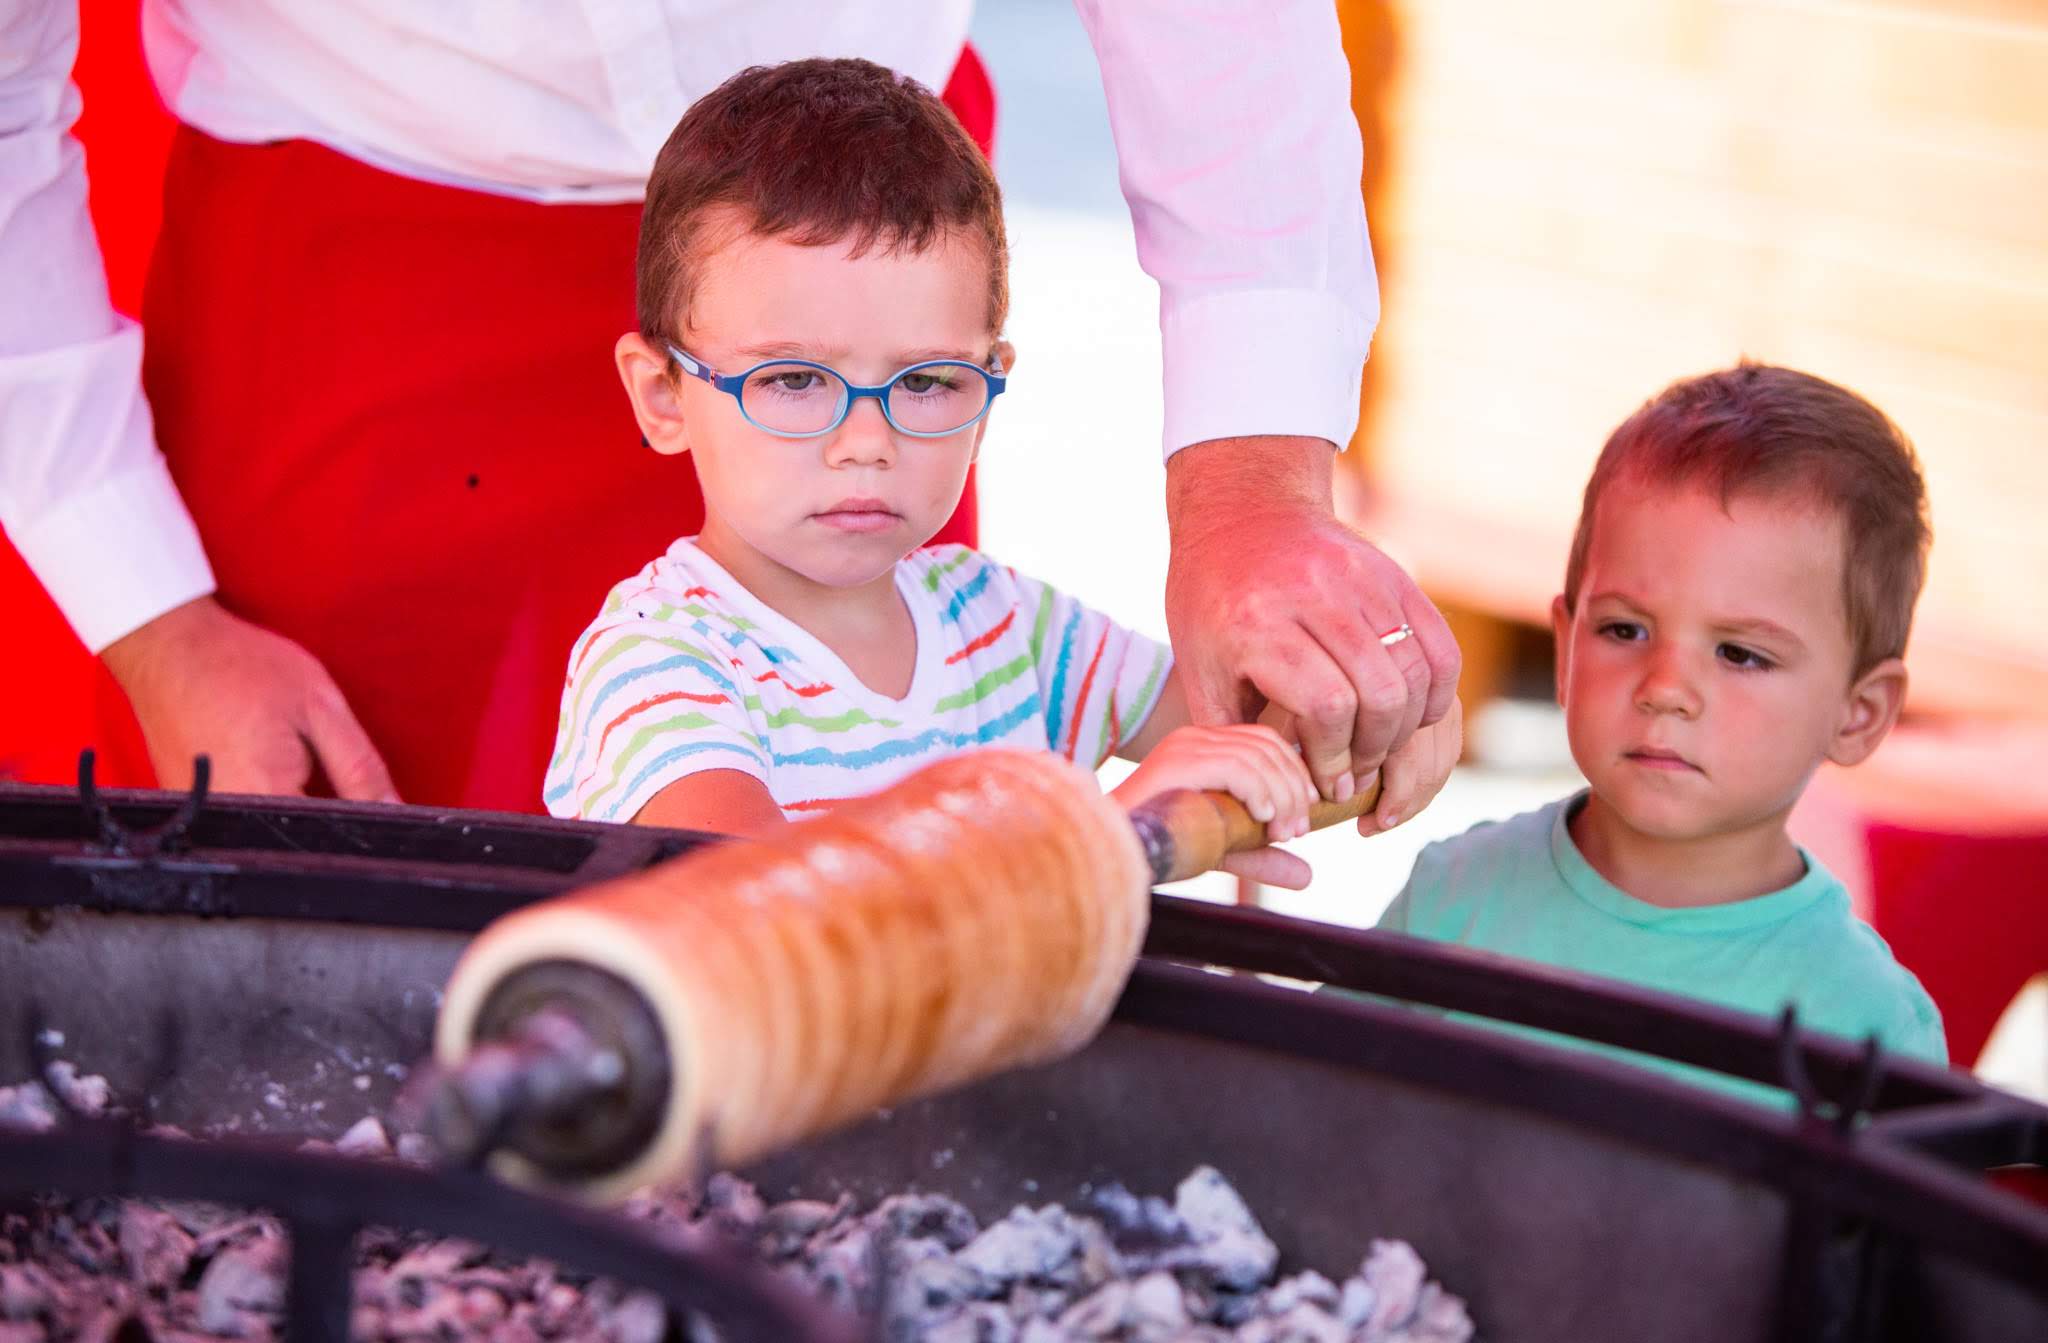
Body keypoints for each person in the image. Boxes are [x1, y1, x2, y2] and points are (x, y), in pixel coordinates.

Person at [0, 1, 1457, 814]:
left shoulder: (979, 600)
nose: (877, 447)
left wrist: (1258, 519)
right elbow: (741, 902)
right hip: (344, 283)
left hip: (867, 251)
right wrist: (153, 615)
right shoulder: (659, 677)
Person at [546, 59, 1463, 891]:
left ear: (988, 390)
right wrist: (1104, 839)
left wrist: (1379, 713)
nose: (865, 441)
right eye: (792, 379)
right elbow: (773, 919)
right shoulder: (658, 667)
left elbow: (1250, 729)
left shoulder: (1009, 627)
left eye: (929, 381)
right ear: (663, 395)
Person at [1375, 363, 1945, 1093]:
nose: (1666, 688)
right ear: (1566, 643)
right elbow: (1295, 1134)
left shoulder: (1869, 1027)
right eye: (1624, 628)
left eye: (1740, 652)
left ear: (1857, 714)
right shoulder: (1454, 900)